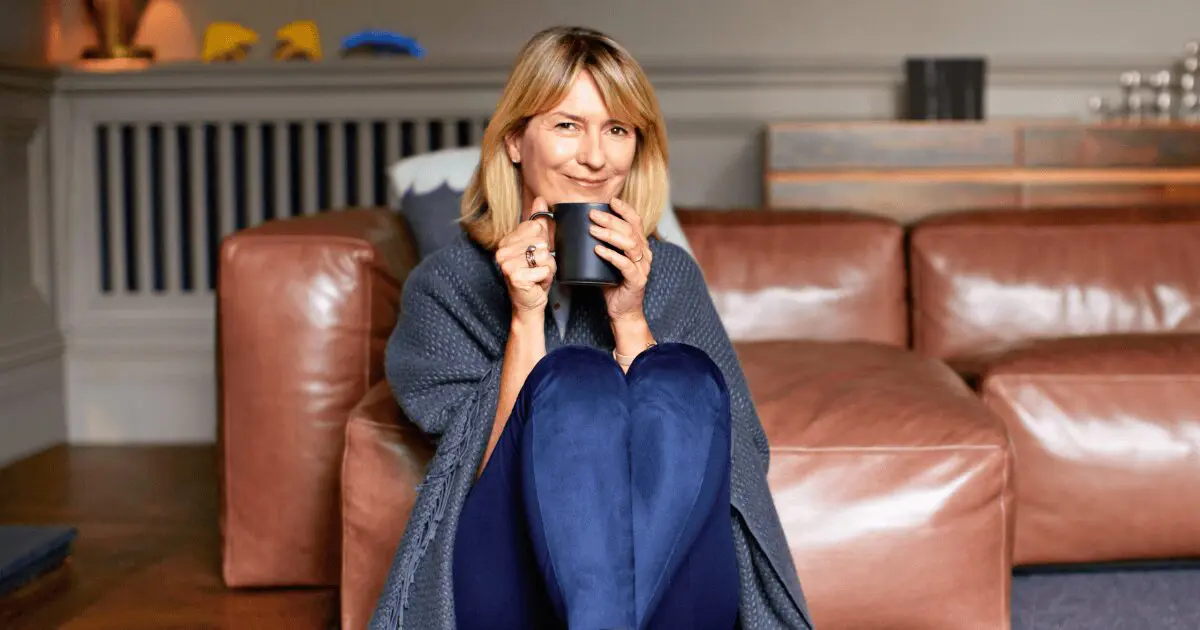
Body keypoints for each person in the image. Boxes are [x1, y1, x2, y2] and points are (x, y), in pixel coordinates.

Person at [370, 26, 813, 630]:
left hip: (674, 589)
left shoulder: (671, 274)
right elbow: (473, 471)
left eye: (617, 130)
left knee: (681, 371)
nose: (596, 157)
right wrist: (525, 316)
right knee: (575, 377)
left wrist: (629, 316)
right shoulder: (447, 283)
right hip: (512, 574)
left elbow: (737, 460)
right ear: (515, 143)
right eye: (567, 125)